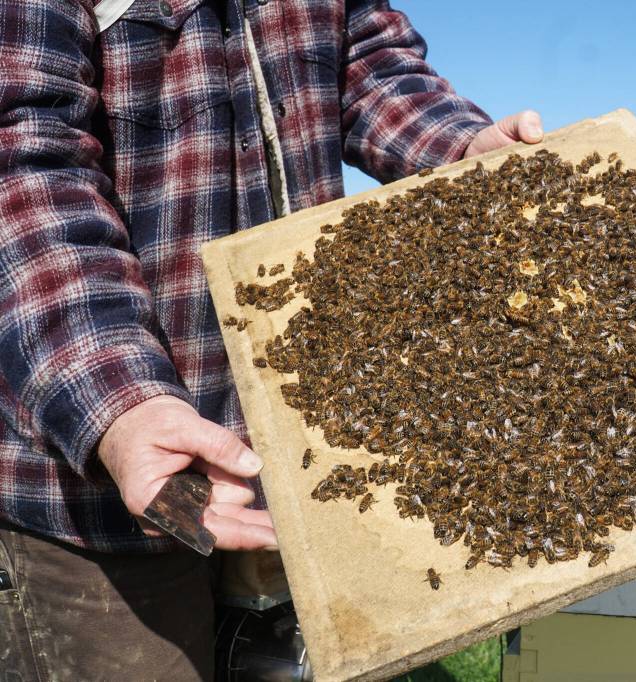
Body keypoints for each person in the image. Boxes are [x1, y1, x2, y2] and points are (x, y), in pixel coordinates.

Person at [0, 0, 543, 678]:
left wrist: (460, 147)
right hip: (97, 481)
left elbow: (368, 61)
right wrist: (118, 402)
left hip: (293, 439)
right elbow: (21, 166)